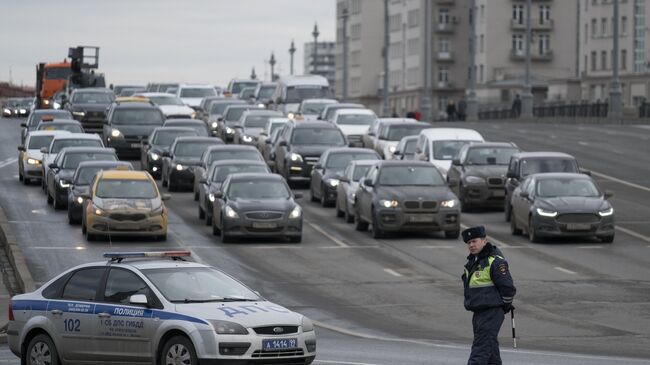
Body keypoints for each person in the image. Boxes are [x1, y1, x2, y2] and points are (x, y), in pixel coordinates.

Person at [461, 226, 516, 365]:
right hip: (479, 313)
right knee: (491, 352)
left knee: (480, 350)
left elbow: (508, 288)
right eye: (469, 243)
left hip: (491, 312)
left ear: (484, 241)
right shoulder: (473, 262)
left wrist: (504, 306)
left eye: (474, 241)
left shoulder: (494, 261)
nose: (471, 245)